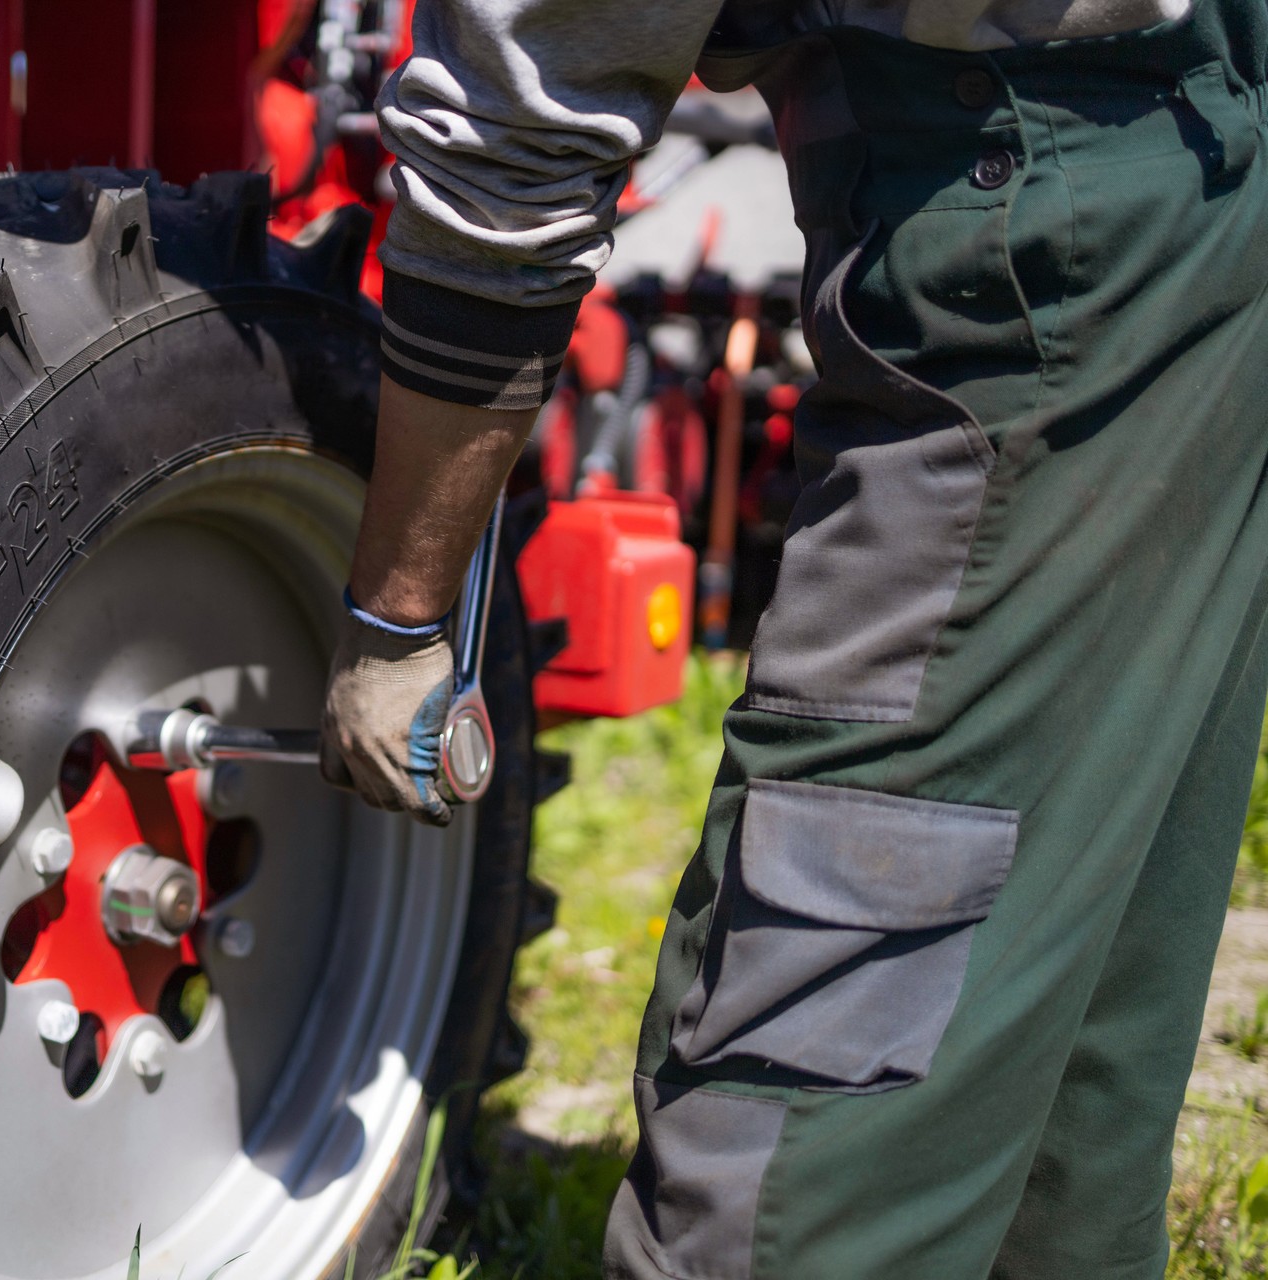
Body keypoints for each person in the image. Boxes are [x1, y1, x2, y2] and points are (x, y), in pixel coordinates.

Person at [315, 1, 1268, 1275]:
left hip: (1036, 230)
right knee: (1057, 1084)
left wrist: (398, 614)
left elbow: (517, 124)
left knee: (788, 1170)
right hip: (1188, 166)